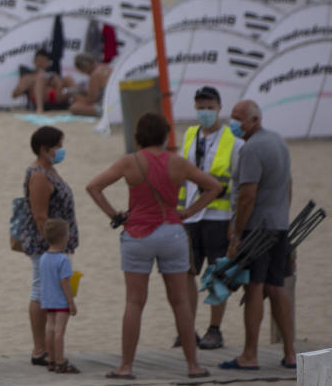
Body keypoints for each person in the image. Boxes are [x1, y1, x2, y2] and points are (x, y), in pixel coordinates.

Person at [86, 112, 220, 380]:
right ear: (165, 135)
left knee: (134, 302)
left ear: (138, 136)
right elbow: (214, 186)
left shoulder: (130, 162)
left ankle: (125, 366)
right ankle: (193, 365)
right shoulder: (178, 163)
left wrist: (114, 215)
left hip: (137, 234)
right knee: (180, 301)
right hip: (171, 232)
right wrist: (189, 211)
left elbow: (93, 187)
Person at [219, 100, 296, 371]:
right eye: (232, 117)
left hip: (257, 230)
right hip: (279, 225)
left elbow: (247, 196)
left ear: (254, 120)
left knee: (255, 287)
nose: (234, 122)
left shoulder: (251, 149)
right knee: (278, 287)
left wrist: (237, 233)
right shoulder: (279, 142)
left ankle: (249, 355)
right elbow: (288, 184)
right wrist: (283, 216)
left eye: (238, 118)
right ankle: (290, 353)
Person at [177, 86, 243, 350]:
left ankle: (214, 329)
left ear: (219, 108)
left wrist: (235, 224)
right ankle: (187, 329)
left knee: (218, 273)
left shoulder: (234, 142)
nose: (205, 112)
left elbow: (238, 186)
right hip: (190, 216)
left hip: (220, 215)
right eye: (200, 107)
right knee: (187, 273)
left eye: (209, 107)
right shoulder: (189, 135)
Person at [17, 126, 79, 369]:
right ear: (45, 150)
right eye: (58, 146)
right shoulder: (39, 175)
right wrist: (54, 249)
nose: (61, 151)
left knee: (49, 292)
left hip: (56, 244)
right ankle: (40, 348)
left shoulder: (49, 170)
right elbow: (40, 216)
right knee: (40, 291)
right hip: (46, 246)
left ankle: (49, 348)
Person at [40, 219, 79, 374]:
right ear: (64, 237)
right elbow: (65, 281)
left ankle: (51, 359)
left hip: (48, 299)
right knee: (59, 332)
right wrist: (71, 301)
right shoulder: (63, 259)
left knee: (49, 329)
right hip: (61, 300)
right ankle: (60, 361)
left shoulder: (43, 258)